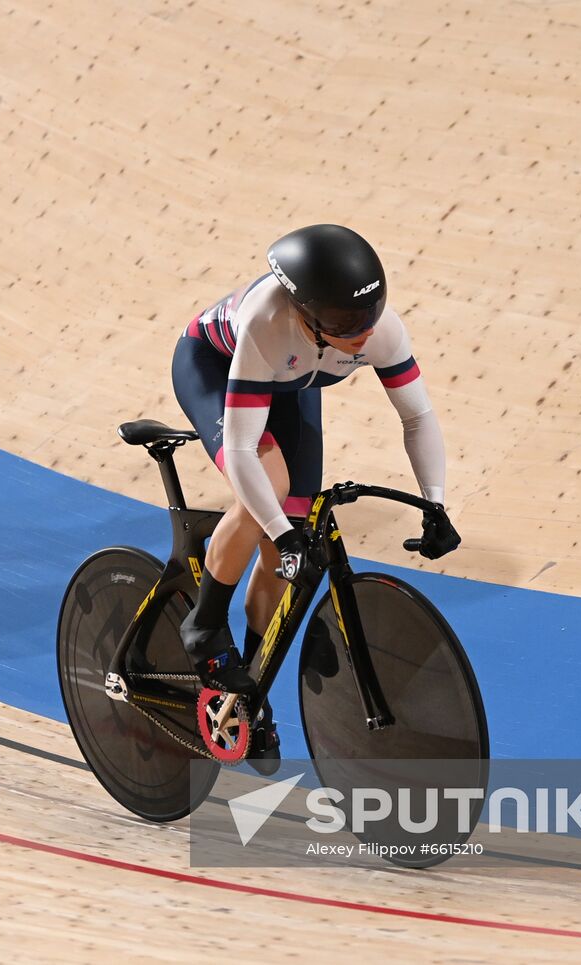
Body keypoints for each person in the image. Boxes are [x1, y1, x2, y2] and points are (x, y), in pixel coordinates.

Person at [170, 224, 461, 764]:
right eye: (345, 324)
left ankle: (249, 693)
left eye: (368, 316)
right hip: (215, 369)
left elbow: (418, 416)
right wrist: (279, 532)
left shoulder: (381, 330)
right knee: (270, 494)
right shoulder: (266, 321)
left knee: (290, 544)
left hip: (291, 384)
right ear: (304, 312)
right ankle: (204, 624)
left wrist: (436, 501)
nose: (362, 334)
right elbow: (239, 451)